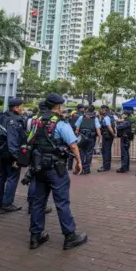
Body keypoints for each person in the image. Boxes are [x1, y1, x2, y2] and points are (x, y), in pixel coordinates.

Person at [26, 93, 87, 250]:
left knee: (38, 202)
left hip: (38, 167)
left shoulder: (36, 121)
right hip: (55, 168)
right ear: (59, 107)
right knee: (62, 202)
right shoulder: (60, 123)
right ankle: (70, 236)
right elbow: (73, 145)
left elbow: (29, 140)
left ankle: (35, 236)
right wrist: (79, 162)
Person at [0, 98, 25, 213]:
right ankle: (7, 203)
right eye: (21, 106)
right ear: (15, 108)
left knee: (1, 176)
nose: (23, 109)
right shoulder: (14, 120)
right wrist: (17, 157)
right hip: (11, 152)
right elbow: (13, 140)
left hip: (1, 151)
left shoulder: (2, 117)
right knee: (12, 178)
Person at [25, 102, 52, 215]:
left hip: (33, 150)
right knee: (42, 181)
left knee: (33, 177)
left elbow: (28, 133)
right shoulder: (52, 120)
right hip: (46, 153)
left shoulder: (32, 119)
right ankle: (40, 205)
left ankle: (31, 204)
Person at [75, 106, 100, 175]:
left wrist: (77, 137)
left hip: (82, 137)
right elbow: (98, 129)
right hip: (91, 137)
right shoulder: (95, 118)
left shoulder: (81, 117)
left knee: (81, 152)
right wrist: (99, 137)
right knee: (89, 153)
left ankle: (81, 168)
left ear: (87, 110)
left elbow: (77, 129)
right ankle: (87, 169)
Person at [97, 105, 115, 172]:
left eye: (101, 109)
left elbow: (109, 126)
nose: (100, 110)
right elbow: (114, 125)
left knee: (106, 151)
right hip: (109, 136)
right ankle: (107, 166)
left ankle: (106, 167)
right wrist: (114, 134)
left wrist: (113, 134)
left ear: (104, 109)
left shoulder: (106, 117)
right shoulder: (110, 115)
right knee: (107, 151)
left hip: (107, 136)